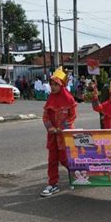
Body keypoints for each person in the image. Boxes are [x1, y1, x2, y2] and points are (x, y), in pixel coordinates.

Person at [40, 67, 77, 197]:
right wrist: (50, 128)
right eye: (51, 84)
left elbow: (72, 116)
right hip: (52, 135)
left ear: (62, 85)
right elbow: (45, 116)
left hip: (64, 135)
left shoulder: (69, 99)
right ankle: (53, 184)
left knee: (65, 159)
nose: (53, 87)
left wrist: (62, 128)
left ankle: (76, 174)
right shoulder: (50, 99)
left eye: (56, 84)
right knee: (52, 159)